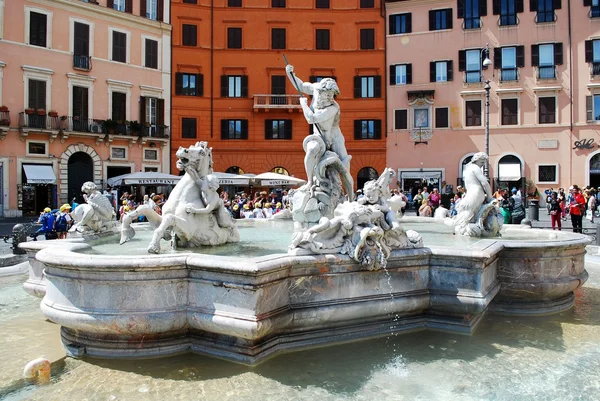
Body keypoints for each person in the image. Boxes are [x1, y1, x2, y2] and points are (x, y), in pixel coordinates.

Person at [285, 64, 353, 197]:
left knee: (345, 170)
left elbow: (311, 118)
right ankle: (310, 182)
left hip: (334, 137)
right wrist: (290, 74)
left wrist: (303, 104)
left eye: (332, 95)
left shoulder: (332, 108)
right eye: (327, 94)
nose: (330, 97)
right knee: (311, 151)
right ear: (320, 91)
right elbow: (302, 86)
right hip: (319, 137)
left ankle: (351, 198)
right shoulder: (316, 88)